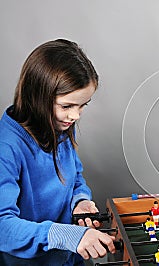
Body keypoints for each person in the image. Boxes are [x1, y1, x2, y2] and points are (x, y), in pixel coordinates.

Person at [0, 39, 115, 265]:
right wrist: (69, 236)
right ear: (37, 96)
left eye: (83, 105)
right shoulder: (7, 147)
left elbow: (75, 178)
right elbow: (3, 226)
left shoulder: (57, 127)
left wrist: (80, 202)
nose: (76, 116)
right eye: (67, 106)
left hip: (70, 259)